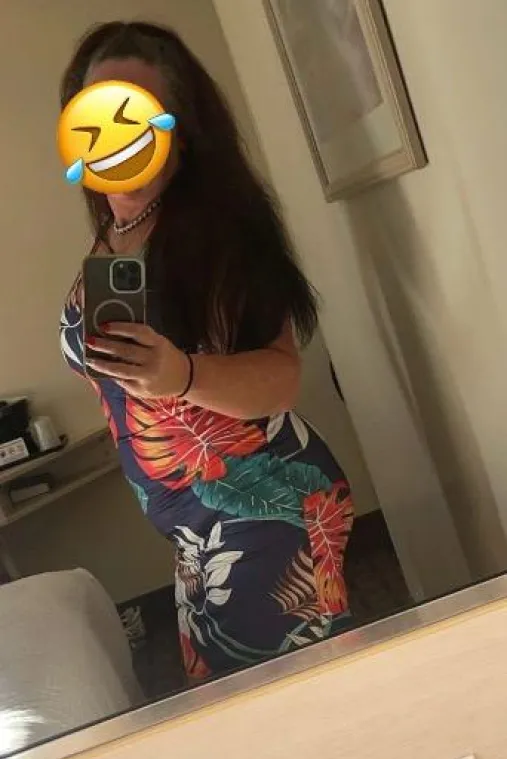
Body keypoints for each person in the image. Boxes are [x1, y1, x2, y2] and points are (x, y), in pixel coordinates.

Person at [60, 21, 354, 682]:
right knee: (240, 703)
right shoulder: (114, 234)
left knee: (290, 707)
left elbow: (280, 377)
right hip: (197, 532)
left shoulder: (216, 232)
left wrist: (182, 374)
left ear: (180, 129)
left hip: (264, 512)